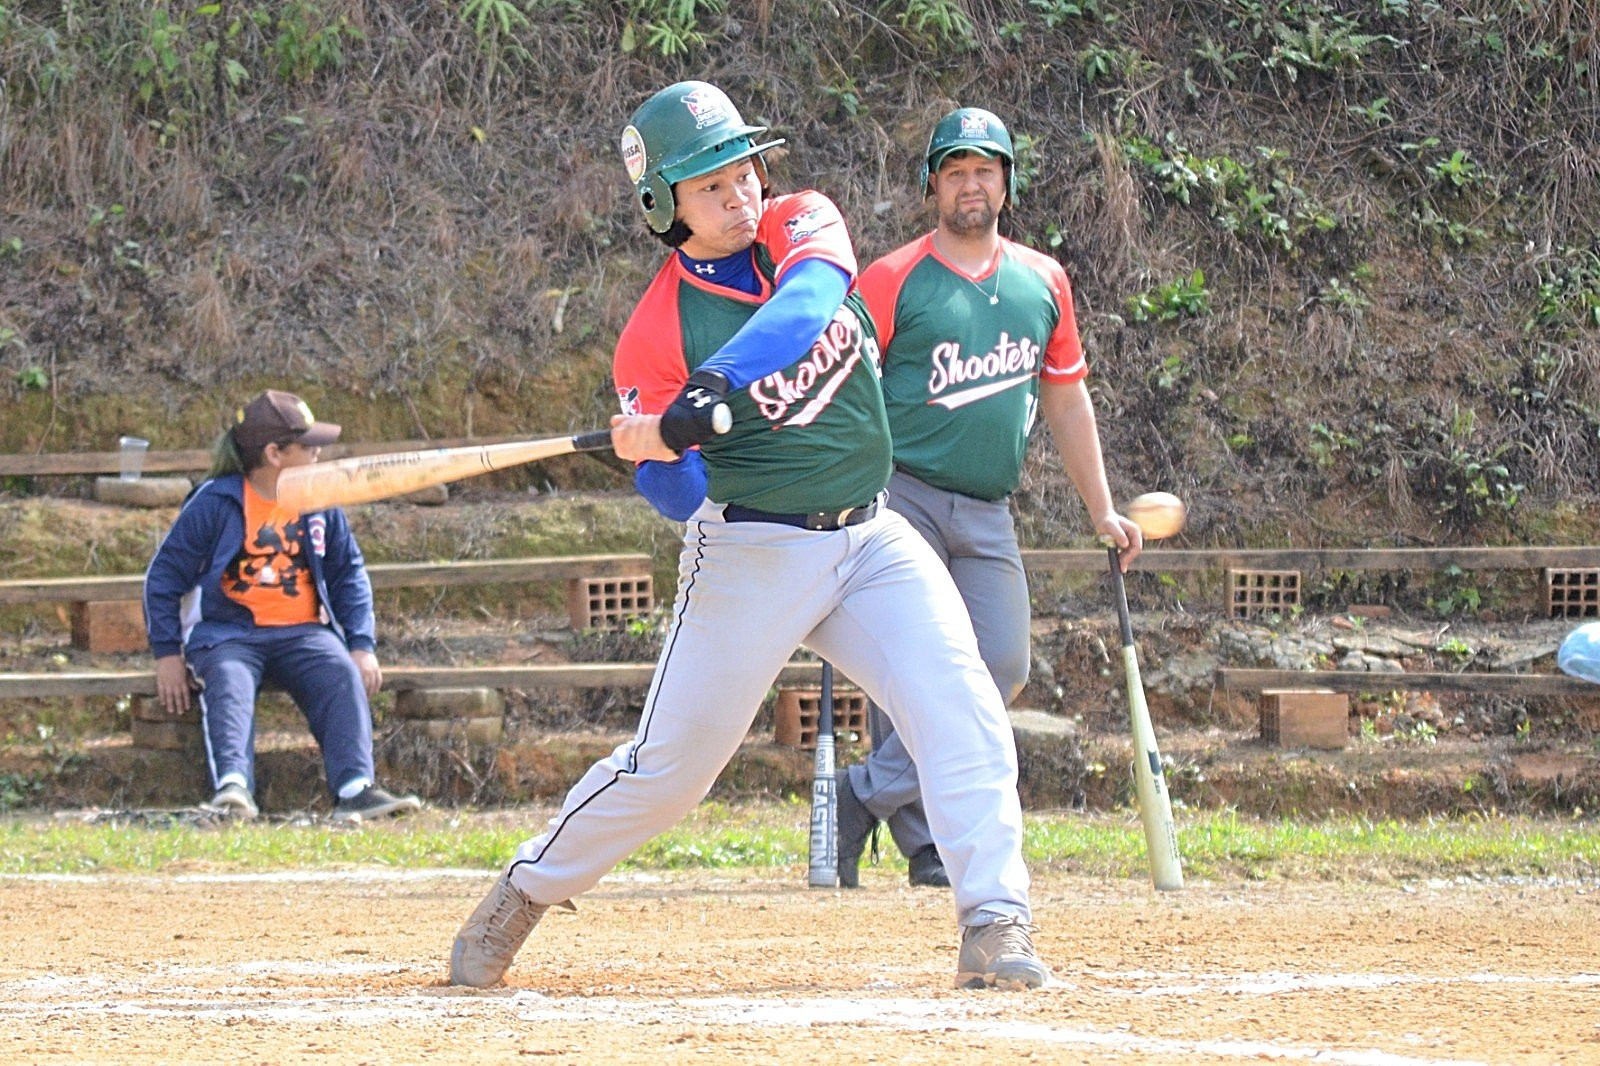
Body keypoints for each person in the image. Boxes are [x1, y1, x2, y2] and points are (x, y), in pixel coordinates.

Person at [449, 81, 1088, 992]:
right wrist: (659, 444)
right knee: (669, 774)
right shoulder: (651, 337)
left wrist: (712, 389)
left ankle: (994, 919)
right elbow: (680, 499)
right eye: (708, 184)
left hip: (872, 536)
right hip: (752, 552)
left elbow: (807, 306)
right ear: (662, 207)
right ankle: (523, 891)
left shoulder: (802, 221)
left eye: (741, 168)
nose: (739, 191)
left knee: (965, 703)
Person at [839, 107, 1144, 888]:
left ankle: (864, 792)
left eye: (986, 170)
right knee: (911, 665)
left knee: (1000, 664)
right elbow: (842, 388)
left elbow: (1067, 400)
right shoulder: (893, 276)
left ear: (1006, 182)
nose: (971, 185)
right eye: (956, 171)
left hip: (986, 506)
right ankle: (930, 844)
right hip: (899, 495)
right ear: (932, 184)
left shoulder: (1043, 281)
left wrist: (1102, 508)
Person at [142, 389, 422, 823]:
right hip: (227, 635)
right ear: (274, 453)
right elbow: (163, 577)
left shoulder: (318, 500)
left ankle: (355, 789)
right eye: (307, 447)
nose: (318, 455)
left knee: (338, 672)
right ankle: (233, 788)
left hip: (304, 631)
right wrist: (166, 655)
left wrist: (362, 644)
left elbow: (348, 573)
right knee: (229, 679)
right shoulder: (215, 502)